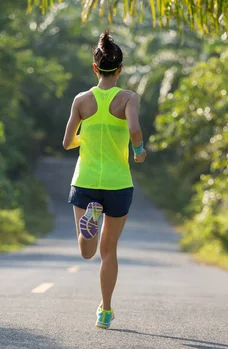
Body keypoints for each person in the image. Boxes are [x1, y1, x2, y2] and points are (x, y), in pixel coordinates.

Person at [62, 30, 147, 329]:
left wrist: (85, 139)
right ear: (120, 69)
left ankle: (90, 221)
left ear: (95, 68)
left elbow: (66, 141)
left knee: (87, 252)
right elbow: (135, 130)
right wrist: (138, 151)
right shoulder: (128, 98)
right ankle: (105, 311)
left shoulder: (81, 100)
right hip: (117, 183)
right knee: (108, 252)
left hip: (85, 180)